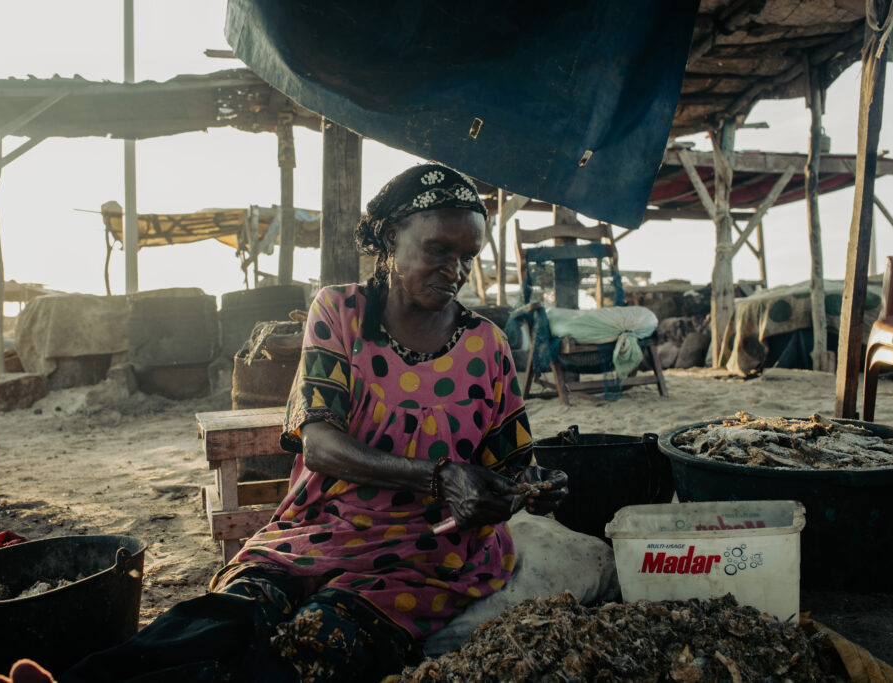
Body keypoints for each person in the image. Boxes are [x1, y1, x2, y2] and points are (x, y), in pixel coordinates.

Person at [54, 163, 568, 683]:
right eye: (439, 250)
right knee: (227, 618)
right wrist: (438, 476)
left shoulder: (487, 345)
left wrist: (530, 489)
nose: (455, 271)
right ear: (392, 237)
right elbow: (319, 445)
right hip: (319, 530)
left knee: (313, 647)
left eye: (466, 257)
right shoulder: (340, 312)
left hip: (429, 553)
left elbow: (511, 464)